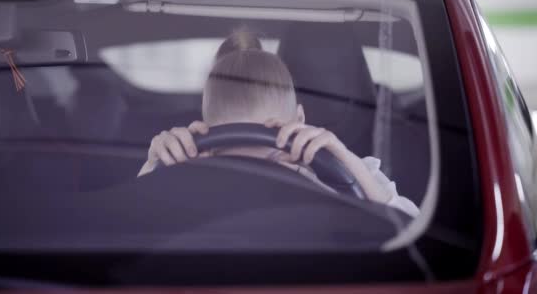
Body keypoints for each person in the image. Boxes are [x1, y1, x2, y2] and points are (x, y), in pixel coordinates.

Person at [138, 29, 419, 217]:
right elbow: (131, 225)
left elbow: (411, 229)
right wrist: (152, 169)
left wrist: (344, 159)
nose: (255, 176)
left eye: (272, 157)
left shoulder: (341, 179)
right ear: (207, 140)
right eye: (236, 160)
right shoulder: (189, 181)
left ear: (299, 121)